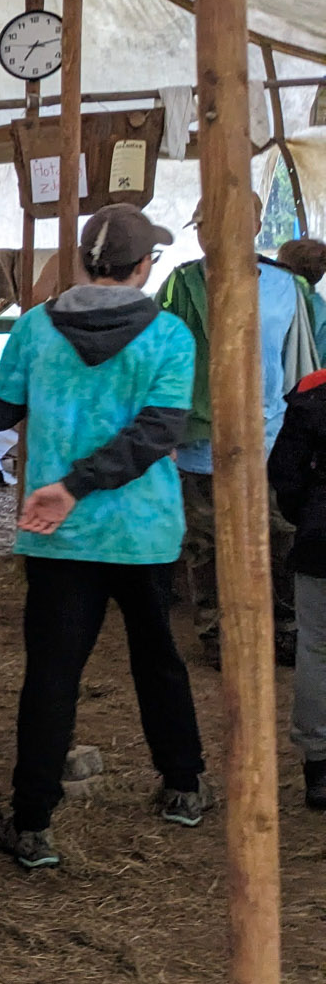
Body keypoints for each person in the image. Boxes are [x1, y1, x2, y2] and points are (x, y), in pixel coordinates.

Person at [0, 204, 208, 868]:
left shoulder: (35, 326)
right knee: (158, 659)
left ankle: (31, 823)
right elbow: (157, 432)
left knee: (52, 673)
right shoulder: (169, 335)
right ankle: (184, 785)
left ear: (84, 261)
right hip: (143, 531)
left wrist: (65, 472)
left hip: (57, 532)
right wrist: (85, 481)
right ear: (143, 267)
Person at [159, 197, 318, 665]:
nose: (206, 235)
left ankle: (284, 628)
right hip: (201, 436)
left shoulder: (288, 287)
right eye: (200, 226)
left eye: (214, 223)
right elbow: (161, 352)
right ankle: (215, 632)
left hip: (272, 435)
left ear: (254, 225)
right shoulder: (182, 283)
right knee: (206, 540)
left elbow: (303, 361)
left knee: (279, 534)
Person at [268, 363, 326, 810]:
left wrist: (307, 517)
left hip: (321, 539)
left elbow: (284, 472)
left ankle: (320, 764)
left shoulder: (313, 389)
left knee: (317, 649)